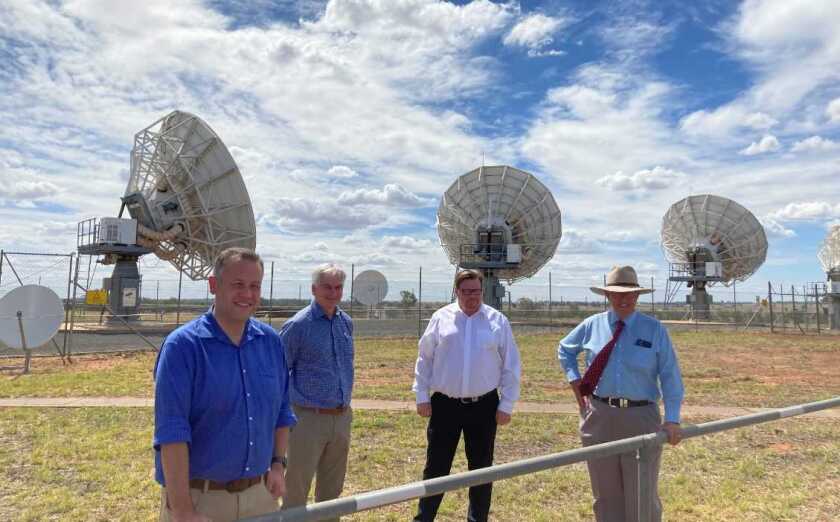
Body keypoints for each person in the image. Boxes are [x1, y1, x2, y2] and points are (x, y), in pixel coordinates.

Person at [153, 247, 296, 522]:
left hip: (260, 496)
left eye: (255, 286)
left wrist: (278, 464)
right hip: (201, 502)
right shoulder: (183, 347)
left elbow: (281, 411)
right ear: (213, 285)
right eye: (238, 284)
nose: (248, 294)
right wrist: (182, 510)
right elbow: (172, 432)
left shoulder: (271, 342)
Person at [557, 265, 684, 522]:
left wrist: (672, 418)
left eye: (629, 294)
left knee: (642, 495)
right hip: (599, 417)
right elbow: (565, 350)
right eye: (616, 293)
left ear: (638, 296)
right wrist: (575, 381)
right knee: (605, 495)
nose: (623, 299)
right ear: (607, 296)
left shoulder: (654, 330)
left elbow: (670, 375)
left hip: (641, 418)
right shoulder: (592, 325)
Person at [412, 269, 521, 522]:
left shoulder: (497, 321)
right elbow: (424, 359)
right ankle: (424, 518)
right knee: (436, 468)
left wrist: (506, 404)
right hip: (444, 406)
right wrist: (421, 395)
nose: (472, 296)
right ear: (456, 291)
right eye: (466, 291)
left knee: (481, 469)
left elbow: (510, 365)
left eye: (476, 291)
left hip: (484, 406)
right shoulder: (441, 318)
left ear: (482, 291)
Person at [280, 263, 354, 520]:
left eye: (338, 287)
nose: (333, 292)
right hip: (307, 419)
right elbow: (280, 373)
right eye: (327, 287)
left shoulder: (346, 323)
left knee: (332, 492)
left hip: (342, 416)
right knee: (296, 489)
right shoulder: (298, 325)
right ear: (314, 289)